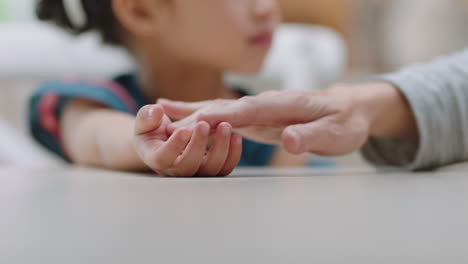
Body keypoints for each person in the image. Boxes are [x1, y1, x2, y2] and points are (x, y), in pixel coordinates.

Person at [30, 0, 306, 177]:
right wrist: (149, 142)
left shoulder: (267, 124)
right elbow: (97, 138)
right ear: (142, 11)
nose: (267, 8)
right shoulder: (89, 104)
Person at [162, 49, 468, 171]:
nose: (266, 8)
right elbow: (114, 134)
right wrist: (158, 144)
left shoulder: (255, 111)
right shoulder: (117, 96)